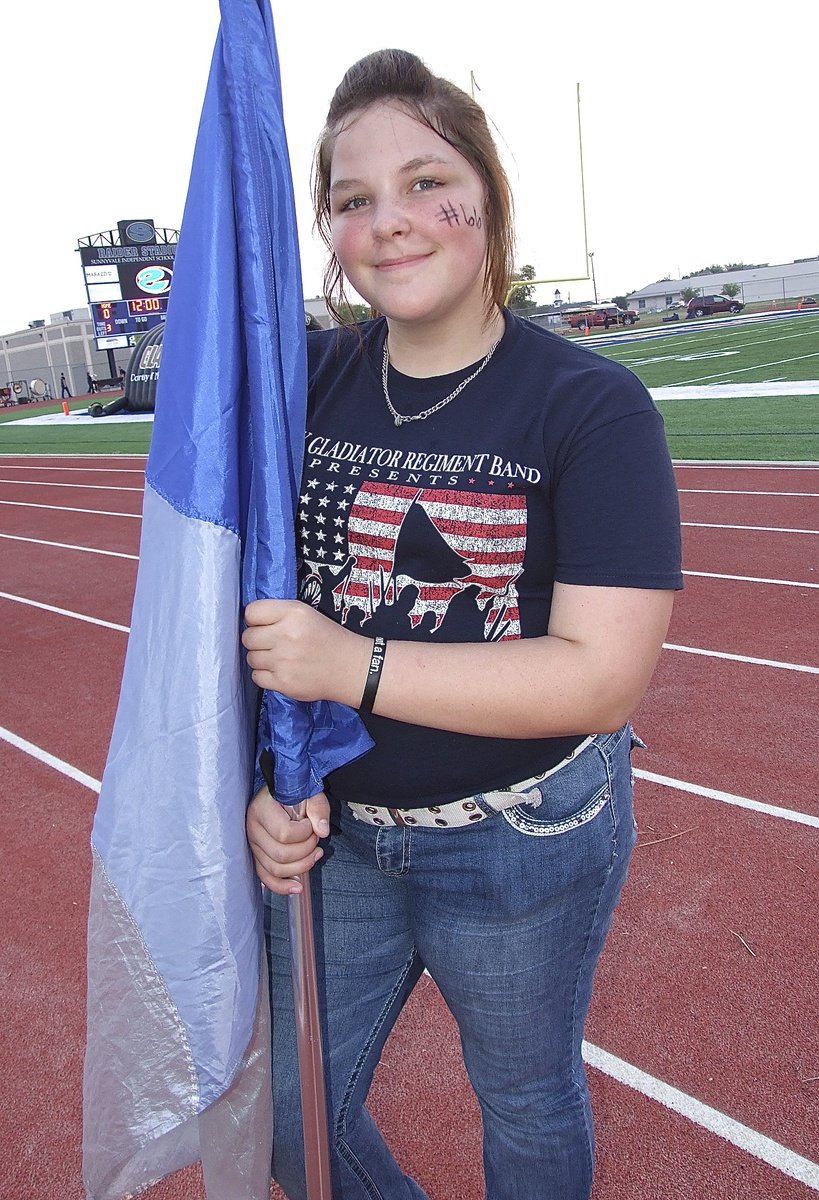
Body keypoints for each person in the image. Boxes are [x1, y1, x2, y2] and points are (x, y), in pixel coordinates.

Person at [241, 49, 682, 1200]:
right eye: (350, 199)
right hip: (337, 831)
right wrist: (259, 779)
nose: (389, 222)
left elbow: (601, 677)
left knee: (527, 1108)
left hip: (520, 835)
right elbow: (244, 616)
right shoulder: (311, 384)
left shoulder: (590, 404)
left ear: (485, 191)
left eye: (424, 181)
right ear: (329, 232)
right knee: (291, 1123)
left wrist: (351, 662)